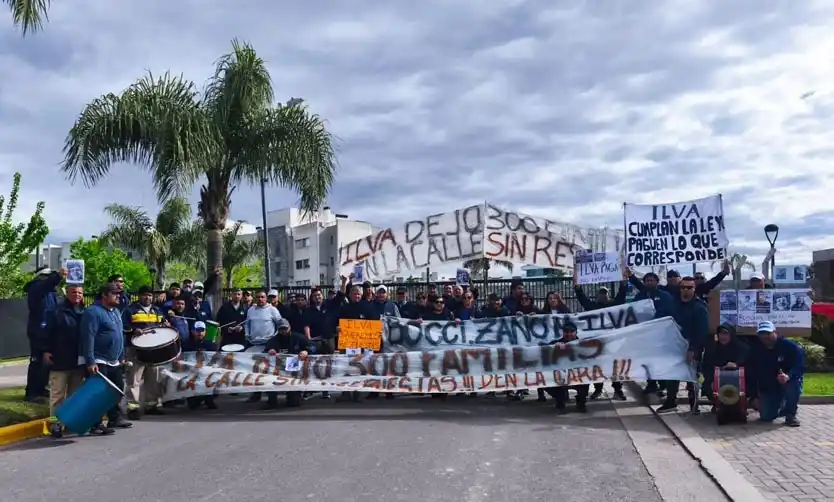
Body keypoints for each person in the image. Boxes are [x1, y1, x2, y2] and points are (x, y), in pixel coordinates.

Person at [80, 283, 133, 435]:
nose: (119, 296)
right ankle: (95, 424)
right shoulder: (93, 312)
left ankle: (114, 418)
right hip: (99, 360)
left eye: (119, 293)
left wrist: (122, 356)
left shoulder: (115, 311)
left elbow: (120, 335)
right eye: (115, 293)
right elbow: (88, 337)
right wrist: (90, 361)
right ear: (104, 295)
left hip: (114, 360)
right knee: (99, 393)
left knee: (116, 389)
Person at [573, 273, 629, 401]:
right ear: (597, 296)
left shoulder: (614, 306)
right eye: (601, 294)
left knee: (615, 367)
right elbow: (583, 299)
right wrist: (577, 288)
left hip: (612, 342)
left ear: (608, 295)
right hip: (597, 343)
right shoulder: (592, 307)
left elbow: (621, 296)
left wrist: (623, 284)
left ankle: (618, 390)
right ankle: (598, 390)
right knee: (597, 367)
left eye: (605, 294)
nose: (603, 296)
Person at [657, 276, 709, 414]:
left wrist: (693, 349)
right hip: (674, 346)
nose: (686, 290)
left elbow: (702, 331)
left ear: (694, 289)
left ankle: (694, 404)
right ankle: (670, 401)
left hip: (691, 347)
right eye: (683, 287)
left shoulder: (700, 307)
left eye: (689, 287)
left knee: (692, 377)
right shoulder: (673, 304)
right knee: (672, 375)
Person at [43, 284, 85, 436]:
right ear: (67, 293)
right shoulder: (56, 310)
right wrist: (46, 350)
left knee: (74, 396)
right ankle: (55, 424)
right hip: (59, 359)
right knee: (57, 396)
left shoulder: (85, 311)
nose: (77, 295)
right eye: (73, 292)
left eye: (80, 292)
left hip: (78, 361)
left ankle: (70, 423)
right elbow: (47, 331)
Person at [627, 270, 676, 397]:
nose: (649, 282)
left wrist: (655, 319)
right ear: (644, 282)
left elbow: (669, 311)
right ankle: (651, 383)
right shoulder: (639, 296)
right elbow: (633, 312)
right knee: (647, 360)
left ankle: (663, 384)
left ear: (657, 282)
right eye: (647, 280)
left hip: (661, 334)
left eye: (651, 280)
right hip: (645, 335)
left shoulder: (665, 296)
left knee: (661, 360)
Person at [23, 266, 67, 402]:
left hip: (49, 330)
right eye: (47, 276)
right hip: (38, 330)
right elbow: (46, 285)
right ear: (40, 277)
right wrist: (58, 276)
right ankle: (31, 393)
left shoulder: (51, 292)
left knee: (47, 362)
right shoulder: (35, 289)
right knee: (37, 361)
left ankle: (41, 388)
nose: (49, 279)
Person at [748, 321, 803, 427]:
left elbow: (799, 366)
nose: (765, 337)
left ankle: (791, 414)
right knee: (766, 417)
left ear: (775, 332)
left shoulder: (790, 347)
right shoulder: (756, 349)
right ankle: (781, 405)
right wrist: (754, 396)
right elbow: (752, 373)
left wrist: (788, 376)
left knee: (793, 385)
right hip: (769, 386)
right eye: (762, 333)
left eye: (768, 333)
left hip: (787, 381)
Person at [122, 285, 166, 419]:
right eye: (145, 295)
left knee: (153, 378)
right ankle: (133, 407)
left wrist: (166, 324)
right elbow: (123, 326)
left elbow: (162, 324)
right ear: (139, 296)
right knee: (134, 379)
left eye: (150, 295)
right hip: (136, 349)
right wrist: (133, 331)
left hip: (154, 349)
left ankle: (151, 405)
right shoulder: (130, 310)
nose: (147, 298)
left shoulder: (156, 310)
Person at [244, 291, 283, 404]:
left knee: (268, 371)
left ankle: (272, 398)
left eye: (262, 297)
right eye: (258, 297)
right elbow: (247, 323)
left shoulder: (272, 310)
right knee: (255, 371)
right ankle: (256, 394)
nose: (260, 299)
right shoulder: (251, 310)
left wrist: (274, 338)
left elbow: (280, 324)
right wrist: (247, 334)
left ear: (266, 298)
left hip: (268, 345)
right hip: (254, 344)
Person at [263, 318, 310, 409]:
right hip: (277, 369)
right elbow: (264, 352)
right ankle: (271, 400)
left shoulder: (299, 338)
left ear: (289, 327)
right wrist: (269, 350)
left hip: (294, 371)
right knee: (268, 379)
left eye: (285, 328)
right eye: (281, 329)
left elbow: (313, 347)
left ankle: (294, 396)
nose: (283, 331)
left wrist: (306, 351)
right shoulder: (273, 340)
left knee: (293, 403)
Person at [701, 324, 749, 409]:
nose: (723, 337)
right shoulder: (712, 349)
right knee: (708, 386)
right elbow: (706, 366)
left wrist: (736, 364)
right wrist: (714, 376)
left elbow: (746, 359)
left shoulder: (742, 348)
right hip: (717, 380)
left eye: (726, 334)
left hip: (737, 381)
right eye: (721, 334)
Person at [550, 322, 590, 413]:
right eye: (566, 332)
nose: (568, 334)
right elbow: (544, 349)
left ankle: (581, 403)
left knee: (585, 383)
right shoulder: (558, 342)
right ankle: (560, 404)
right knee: (555, 384)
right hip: (563, 375)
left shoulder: (582, 343)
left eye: (571, 332)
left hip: (579, 375)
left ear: (576, 332)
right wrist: (553, 346)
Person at [184, 321, 219, 410]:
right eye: (198, 330)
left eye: (202, 330)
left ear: (205, 332)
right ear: (193, 331)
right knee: (192, 405)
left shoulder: (211, 345)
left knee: (214, 375)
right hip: (192, 371)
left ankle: (208, 399)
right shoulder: (186, 345)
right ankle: (195, 399)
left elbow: (215, 359)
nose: (200, 333)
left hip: (206, 371)